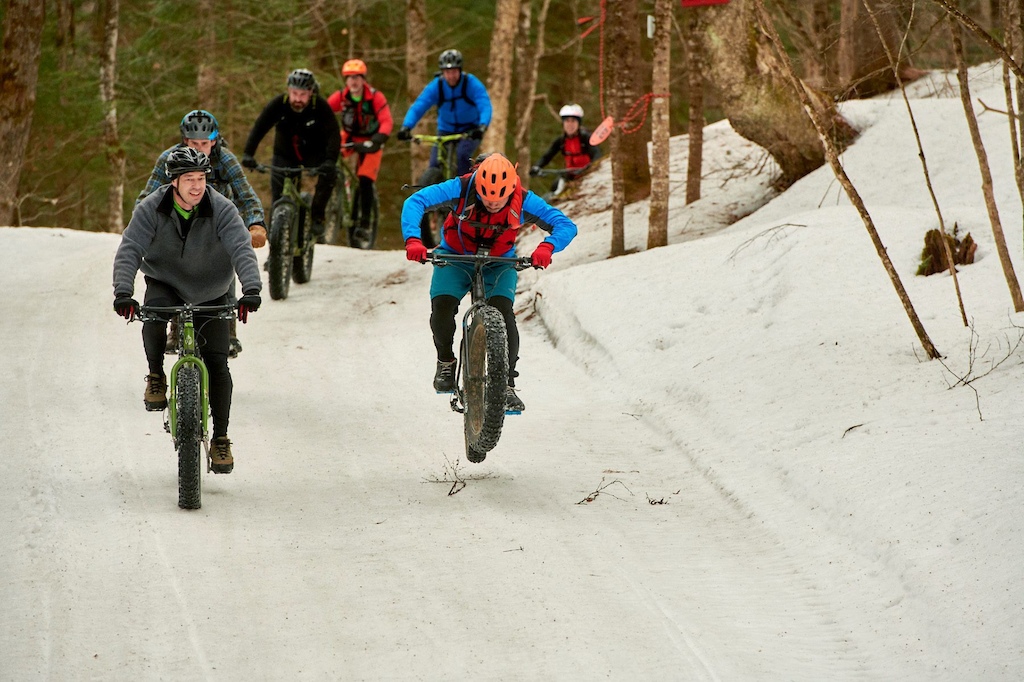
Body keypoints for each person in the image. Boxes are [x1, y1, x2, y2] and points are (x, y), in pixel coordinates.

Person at [113, 147, 263, 474]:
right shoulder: (151, 208)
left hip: (212, 288)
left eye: (201, 179)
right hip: (165, 280)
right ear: (173, 182)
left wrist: (251, 289)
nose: (197, 186)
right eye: (189, 180)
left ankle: (221, 438)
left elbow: (241, 249)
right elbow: (130, 250)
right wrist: (124, 291)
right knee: (152, 315)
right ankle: (155, 375)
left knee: (218, 364)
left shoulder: (222, 209)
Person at [401, 153, 576, 412]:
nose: (494, 204)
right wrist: (413, 239)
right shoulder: (460, 188)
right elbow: (416, 201)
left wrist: (548, 246)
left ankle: (505, 386)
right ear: (477, 185)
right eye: (487, 198)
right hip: (455, 256)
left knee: (504, 314)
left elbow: (565, 224)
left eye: (500, 199)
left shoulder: (524, 199)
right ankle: (446, 362)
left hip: (499, 261)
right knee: (443, 307)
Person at [138, 109, 267, 357]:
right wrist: (144, 225)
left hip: (218, 229)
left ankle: (227, 330)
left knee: (225, 268)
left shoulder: (226, 160)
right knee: (173, 269)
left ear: (215, 141)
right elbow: (147, 196)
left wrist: (255, 225)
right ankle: (176, 328)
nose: (199, 148)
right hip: (179, 228)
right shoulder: (169, 159)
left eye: (205, 144)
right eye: (193, 143)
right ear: (184, 141)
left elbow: (246, 195)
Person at [396, 49, 492, 247]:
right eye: (447, 71)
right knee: (433, 167)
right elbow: (420, 104)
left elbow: (484, 103)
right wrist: (407, 126)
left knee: (463, 156)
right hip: (446, 131)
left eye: (454, 71)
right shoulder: (437, 86)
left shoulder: (470, 83)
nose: (451, 75)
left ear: (460, 70)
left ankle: (467, 198)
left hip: (469, 130)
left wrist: (482, 125)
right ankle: (430, 214)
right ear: (442, 72)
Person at [241, 68, 340, 238]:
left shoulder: (320, 106)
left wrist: (330, 160)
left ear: (311, 92)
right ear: (288, 90)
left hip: (314, 154)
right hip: (285, 154)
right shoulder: (279, 104)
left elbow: (333, 134)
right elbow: (260, 127)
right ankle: (275, 255)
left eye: (302, 95)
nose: (298, 99)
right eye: (294, 93)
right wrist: (249, 154)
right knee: (278, 200)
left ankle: (317, 215)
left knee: (330, 175)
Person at [325, 58, 393, 247]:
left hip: (371, 140)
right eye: (349, 78)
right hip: (350, 136)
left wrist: (378, 139)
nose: (353, 82)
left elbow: (386, 121)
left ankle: (364, 224)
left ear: (363, 79)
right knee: (330, 160)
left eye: (357, 77)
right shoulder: (341, 97)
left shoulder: (375, 97)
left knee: (365, 178)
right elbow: (324, 111)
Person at [529, 103, 603, 194]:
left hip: (587, 175)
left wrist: (589, 167)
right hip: (569, 176)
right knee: (554, 188)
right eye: (567, 121)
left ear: (578, 123)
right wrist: (537, 166)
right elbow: (547, 157)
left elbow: (597, 155)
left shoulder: (587, 138)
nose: (570, 124)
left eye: (573, 121)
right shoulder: (561, 141)